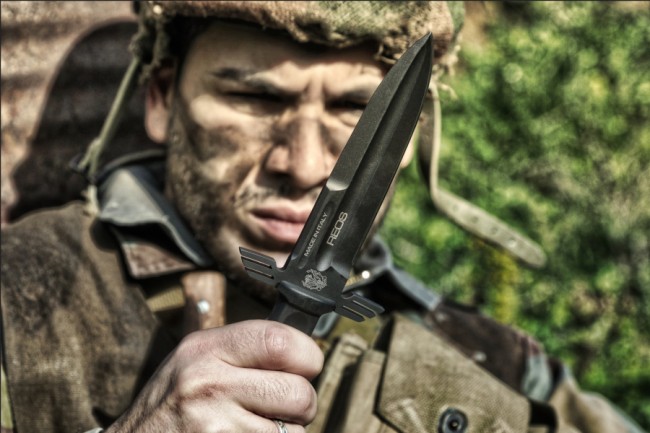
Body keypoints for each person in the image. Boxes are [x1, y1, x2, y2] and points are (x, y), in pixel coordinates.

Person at [0, 2, 644, 433]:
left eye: (354, 111)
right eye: (254, 97)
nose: (304, 165)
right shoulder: (19, 296)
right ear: (163, 98)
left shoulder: (493, 361)